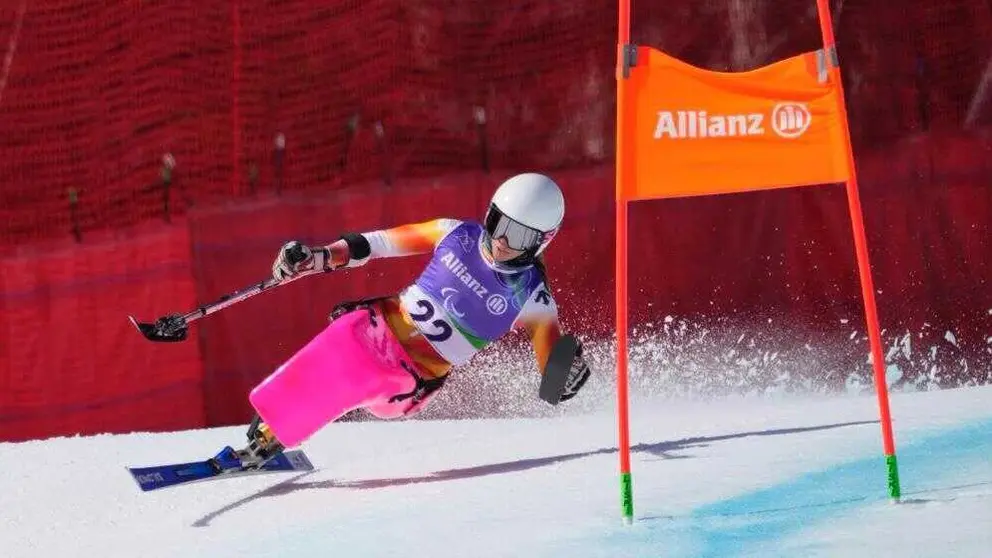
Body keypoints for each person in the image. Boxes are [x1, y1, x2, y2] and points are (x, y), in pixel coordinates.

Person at [240, 173, 592, 465]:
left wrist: (564, 374)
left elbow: (551, 380)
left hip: (410, 380)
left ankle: (276, 432)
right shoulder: (455, 234)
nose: (500, 241)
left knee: (365, 368)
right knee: (347, 331)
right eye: (497, 223)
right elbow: (378, 244)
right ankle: (270, 426)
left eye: (517, 236)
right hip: (373, 329)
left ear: (542, 241)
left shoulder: (532, 297)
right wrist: (318, 256)